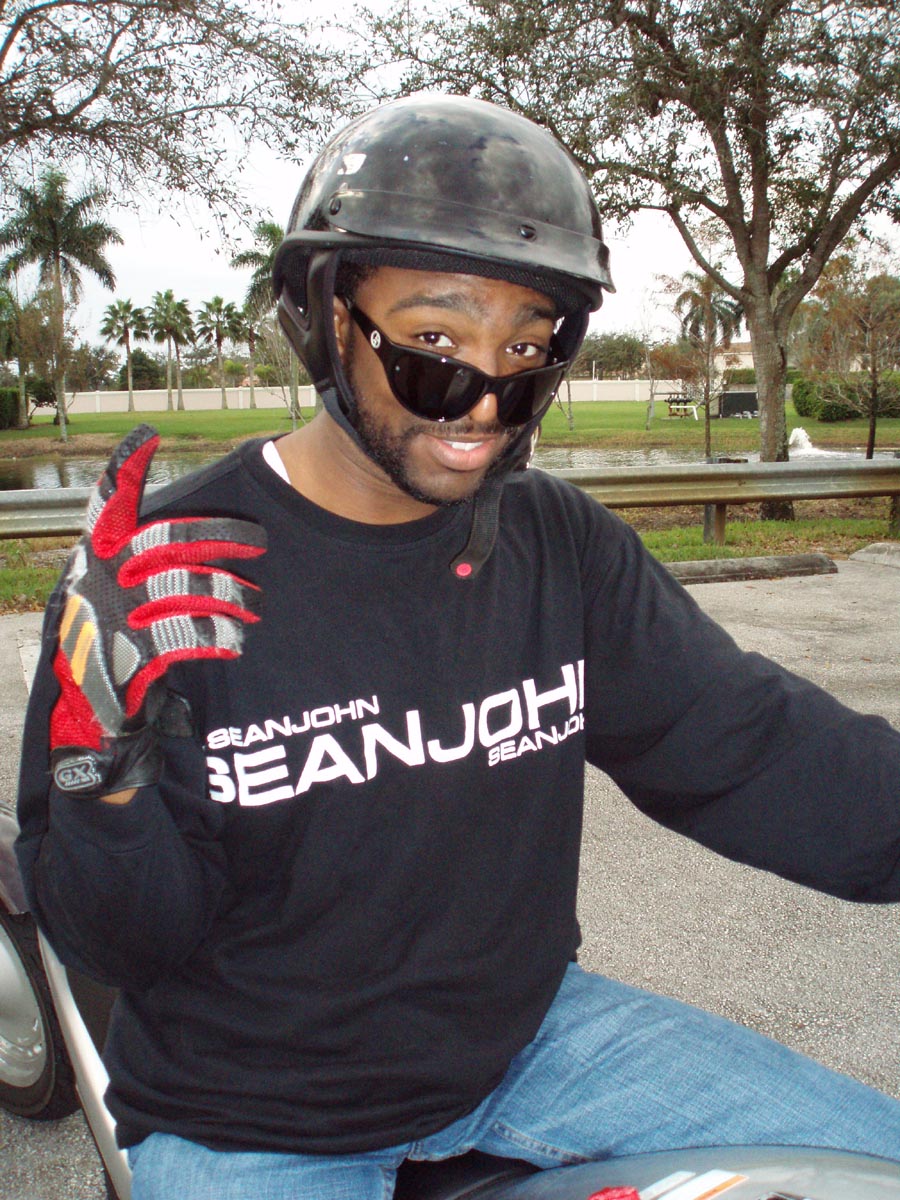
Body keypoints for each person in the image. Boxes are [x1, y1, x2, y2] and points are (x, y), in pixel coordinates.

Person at [15, 94, 900, 1199]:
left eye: (525, 350)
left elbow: (751, 747)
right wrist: (105, 783)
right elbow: (120, 947)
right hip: (255, 1114)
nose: (483, 401)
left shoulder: (554, 544)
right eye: (434, 346)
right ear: (329, 320)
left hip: (533, 1042)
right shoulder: (166, 581)